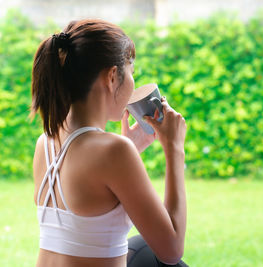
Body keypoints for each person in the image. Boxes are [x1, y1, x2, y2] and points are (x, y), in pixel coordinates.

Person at [31, 19, 188, 267]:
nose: (133, 82)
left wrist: (131, 146)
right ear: (113, 76)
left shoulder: (46, 142)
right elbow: (171, 250)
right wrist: (174, 148)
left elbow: (87, 214)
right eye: (131, 72)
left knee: (143, 250)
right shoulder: (114, 151)